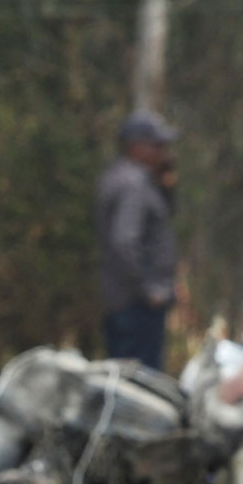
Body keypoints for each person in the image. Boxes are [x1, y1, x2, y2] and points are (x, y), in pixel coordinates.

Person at [95, 110, 179, 369]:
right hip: (135, 303)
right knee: (139, 383)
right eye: (157, 145)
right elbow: (124, 240)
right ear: (135, 146)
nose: (163, 152)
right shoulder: (133, 184)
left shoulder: (126, 178)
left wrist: (166, 187)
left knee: (130, 379)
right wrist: (149, 287)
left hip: (128, 300)